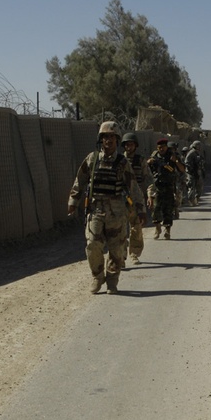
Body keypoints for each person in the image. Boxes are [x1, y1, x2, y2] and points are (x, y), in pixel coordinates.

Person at [68, 122, 145, 293]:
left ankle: (112, 280)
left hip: (117, 210)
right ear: (100, 140)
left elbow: (133, 187)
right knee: (93, 244)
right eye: (105, 137)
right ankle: (97, 276)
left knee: (116, 248)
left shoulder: (122, 162)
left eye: (111, 137)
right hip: (95, 209)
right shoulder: (92, 159)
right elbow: (80, 181)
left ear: (117, 140)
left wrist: (140, 209)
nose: (108, 140)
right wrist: (73, 201)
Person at [122, 132, 151, 266]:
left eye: (131, 144)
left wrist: (149, 194)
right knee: (119, 228)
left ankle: (134, 254)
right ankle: (120, 256)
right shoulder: (119, 160)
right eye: (127, 145)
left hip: (136, 197)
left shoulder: (140, 160)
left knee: (136, 227)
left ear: (135, 145)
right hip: (122, 198)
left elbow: (147, 178)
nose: (129, 147)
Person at [147, 137, 184, 240]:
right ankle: (157, 228)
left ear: (166, 147)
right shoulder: (154, 157)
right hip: (157, 186)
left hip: (169, 186)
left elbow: (182, 169)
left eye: (163, 147)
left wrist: (176, 161)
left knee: (168, 209)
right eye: (159, 147)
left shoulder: (173, 156)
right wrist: (148, 163)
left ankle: (167, 230)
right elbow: (147, 171)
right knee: (155, 208)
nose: (161, 149)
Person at [185, 140, 205, 206]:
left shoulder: (198, 153)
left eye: (199, 145)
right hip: (191, 172)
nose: (199, 146)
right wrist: (191, 170)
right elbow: (187, 162)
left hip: (198, 172)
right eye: (197, 145)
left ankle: (196, 199)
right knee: (192, 187)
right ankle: (191, 201)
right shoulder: (192, 152)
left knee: (199, 186)